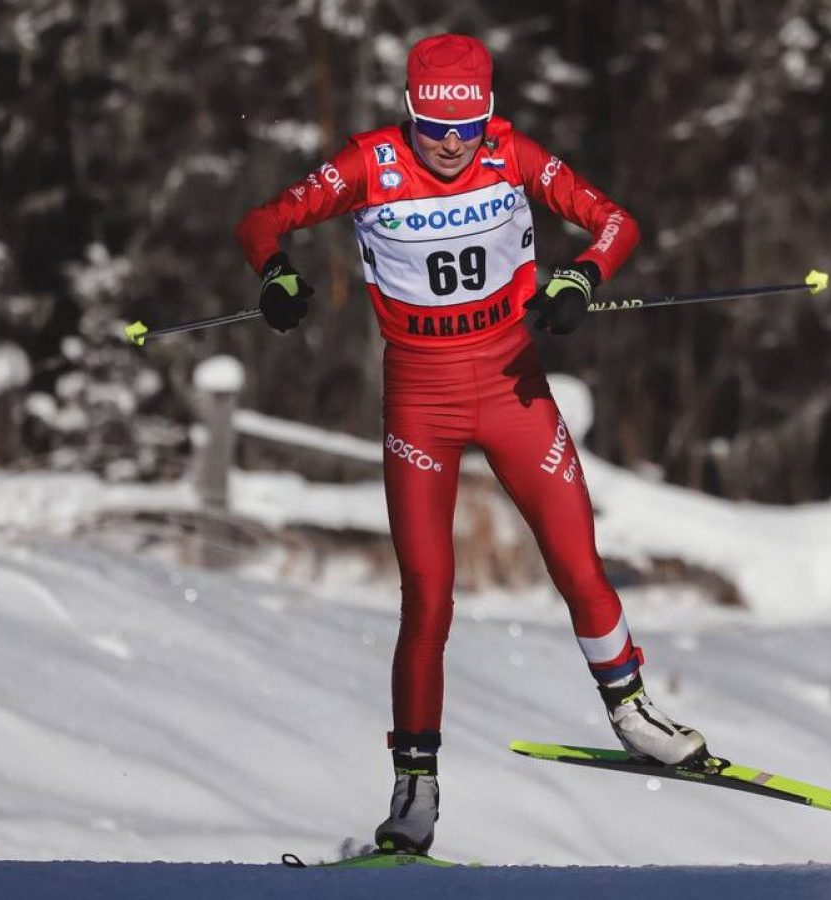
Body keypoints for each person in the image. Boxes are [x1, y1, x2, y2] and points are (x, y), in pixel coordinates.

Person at [235, 33, 707, 855]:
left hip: (512, 388)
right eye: (433, 126)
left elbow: (615, 221)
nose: (451, 144)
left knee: (577, 562)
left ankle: (632, 712)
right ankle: (414, 784)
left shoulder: (511, 152)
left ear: (487, 114)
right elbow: (262, 217)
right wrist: (275, 272)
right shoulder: (370, 164)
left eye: (467, 125)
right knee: (428, 593)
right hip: (421, 401)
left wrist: (580, 277)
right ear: (410, 112)